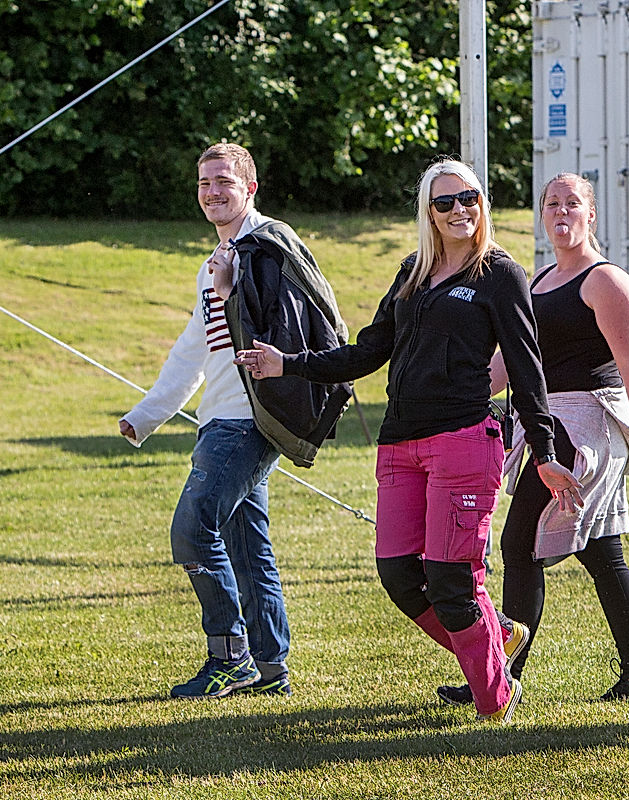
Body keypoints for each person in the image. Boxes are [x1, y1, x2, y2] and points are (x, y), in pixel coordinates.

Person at [235, 158, 582, 724]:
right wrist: (287, 363)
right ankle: (496, 642)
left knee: (451, 580)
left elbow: (527, 368)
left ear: (481, 203)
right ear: (428, 212)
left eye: (467, 198)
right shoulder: (413, 273)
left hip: (464, 440)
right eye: (444, 202)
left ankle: (495, 703)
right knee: (399, 573)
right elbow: (369, 351)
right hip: (400, 443)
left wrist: (543, 452)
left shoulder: (500, 274)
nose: (458, 210)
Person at [121, 143, 348, 699]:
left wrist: (227, 292)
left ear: (250, 188)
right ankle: (271, 667)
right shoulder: (218, 259)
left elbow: (279, 331)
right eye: (204, 184)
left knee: (194, 529)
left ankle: (230, 656)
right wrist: (145, 416)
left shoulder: (269, 248)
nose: (212, 192)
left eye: (224, 181)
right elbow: (193, 349)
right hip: (218, 417)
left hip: (248, 419)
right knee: (249, 547)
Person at [437, 173, 629, 706]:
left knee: (520, 543)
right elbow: (507, 365)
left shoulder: (605, 281)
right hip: (544, 420)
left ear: (591, 214)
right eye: (552, 203)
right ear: (542, 214)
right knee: (602, 552)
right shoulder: (537, 281)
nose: (561, 212)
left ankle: (498, 678)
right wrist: (447, 398)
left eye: (573, 203)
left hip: (583, 426)